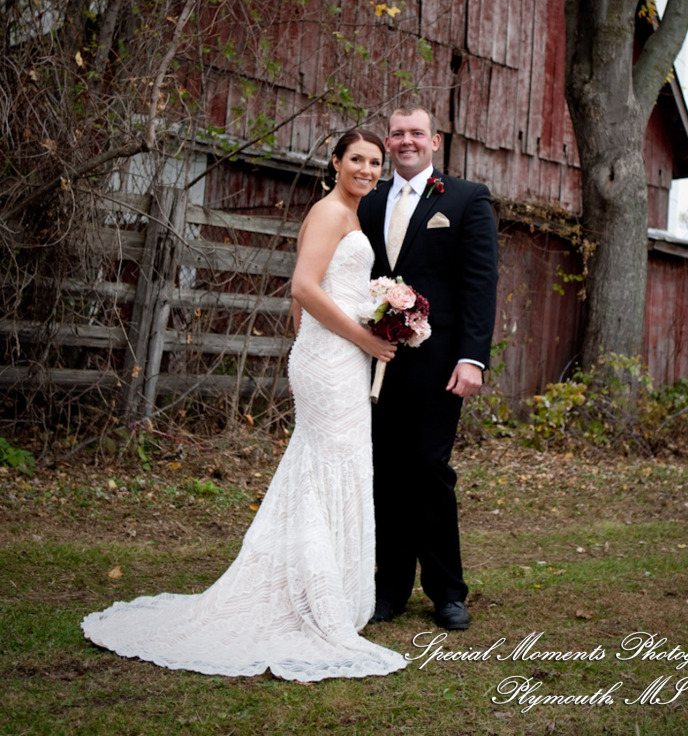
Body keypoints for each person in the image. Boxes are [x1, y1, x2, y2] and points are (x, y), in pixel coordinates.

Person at [81, 129, 407, 682]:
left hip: (337, 357)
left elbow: (309, 300)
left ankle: (322, 590)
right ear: (335, 161)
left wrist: (351, 334)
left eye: (376, 162)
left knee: (330, 466)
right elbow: (303, 288)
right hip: (336, 358)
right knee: (325, 468)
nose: (367, 169)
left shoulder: (350, 215)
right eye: (357, 159)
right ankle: (312, 599)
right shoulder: (330, 212)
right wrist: (359, 338)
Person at [357, 106, 498, 631]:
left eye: (416, 132)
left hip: (440, 364)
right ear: (388, 142)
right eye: (397, 134)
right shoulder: (369, 201)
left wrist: (472, 358)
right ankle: (390, 588)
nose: (406, 141)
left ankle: (447, 592)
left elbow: (480, 283)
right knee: (386, 473)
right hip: (374, 361)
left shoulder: (465, 199)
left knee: (430, 469)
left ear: (435, 141)